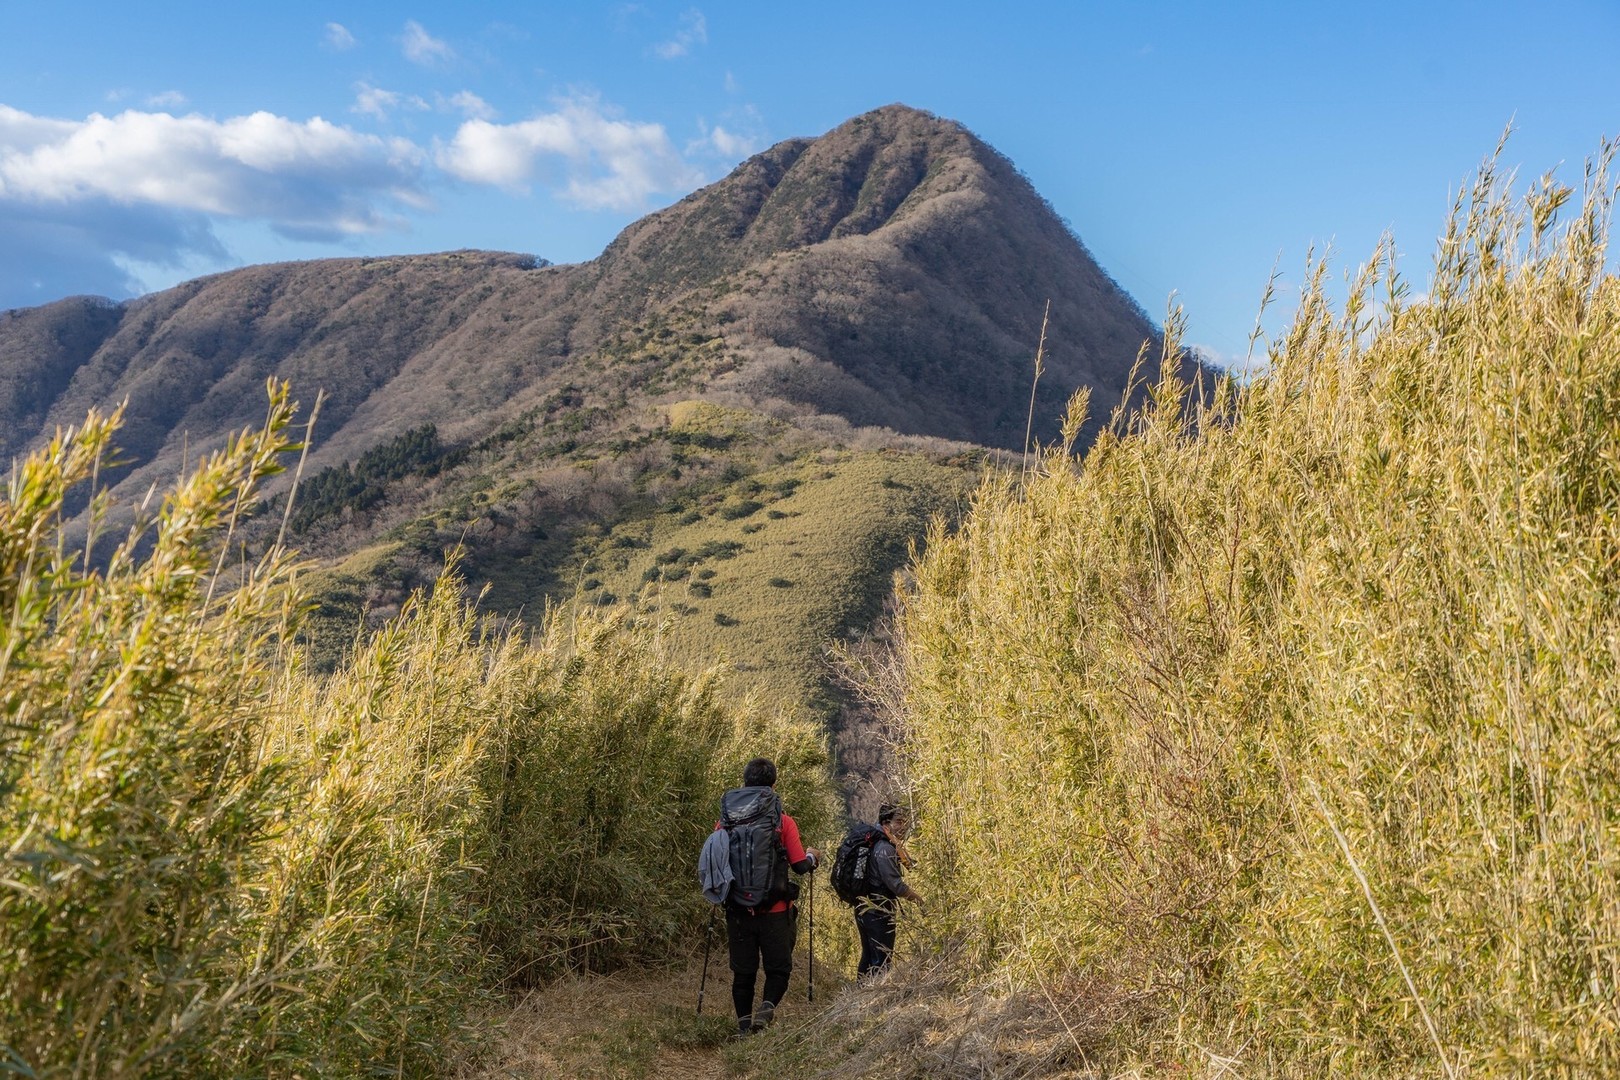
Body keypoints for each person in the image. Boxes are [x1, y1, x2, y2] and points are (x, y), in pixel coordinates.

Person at [719, 757, 818, 1037]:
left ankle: (742, 1028)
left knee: (743, 972)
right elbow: (799, 865)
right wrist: (813, 856)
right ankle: (766, 1007)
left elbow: (717, 860)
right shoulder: (782, 821)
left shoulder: (725, 822)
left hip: (737, 910)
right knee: (779, 968)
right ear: (773, 785)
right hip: (775, 910)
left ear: (744, 783)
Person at [855, 803, 924, 980]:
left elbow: (911, 866)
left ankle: (861, 996)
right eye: (899, 822)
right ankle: (873, 999)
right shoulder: (884, 848)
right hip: (878, 910)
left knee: (869, 955)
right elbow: (896, 885)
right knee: (881, 959)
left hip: (865, 907)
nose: (903, 826)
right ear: (886, 824)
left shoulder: (878, 841)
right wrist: (919, 900)